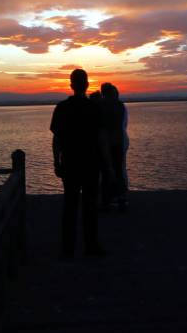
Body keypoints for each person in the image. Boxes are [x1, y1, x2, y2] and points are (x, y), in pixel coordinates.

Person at [50, 68, 108, 258]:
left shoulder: (62, 108)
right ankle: (91, 246)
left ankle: (68, 249)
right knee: (90, 206)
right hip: (91, 164)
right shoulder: (94, 109)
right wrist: (108, 165)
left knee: (70, 206)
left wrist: (56, 161)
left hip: (70, 164)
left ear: (71, 85)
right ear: (87, 84)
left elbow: (57, 139)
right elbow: (101, 139)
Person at [99, 82, 129, 212]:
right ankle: (118, 199)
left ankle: (111, 200)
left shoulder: (108, 107)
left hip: (113, 145)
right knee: (117, 171)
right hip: (116, 144)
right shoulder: (119, 106)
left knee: (110, 172)